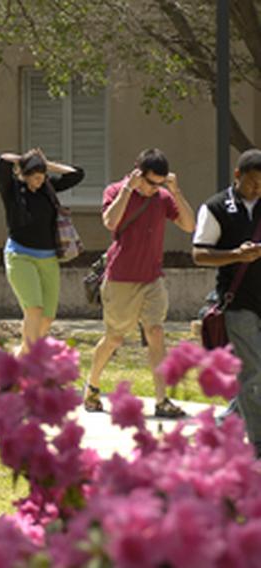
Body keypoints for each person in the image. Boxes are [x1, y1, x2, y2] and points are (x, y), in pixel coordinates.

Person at [84, 148, 196, 417]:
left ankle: (161, 400)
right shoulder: (115, 191)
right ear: (137, 172)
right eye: (149, 182)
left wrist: (175, 192)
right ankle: (92, 387)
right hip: (121, 279)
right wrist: (127, 190)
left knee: (156, 332)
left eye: (159, 183)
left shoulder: (163, 197)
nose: (153, 189)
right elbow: (110, 221)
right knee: (114, 338)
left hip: (153, 279)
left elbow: (189, 226)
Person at [193, 148, 261, 454]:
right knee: (254, 371)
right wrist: (236, 255)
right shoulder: (216, 207)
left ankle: (225, 423)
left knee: (254, 372)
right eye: (252, 183)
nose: (257, 189)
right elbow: (199, 254)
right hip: (238, 304)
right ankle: (258, 443)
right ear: (237, 175)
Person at [0, 149, 84, 354]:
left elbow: (76, 174)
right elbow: (3, 160)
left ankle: (21, 357)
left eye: (42, 177)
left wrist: (45, 165)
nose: (40, 181)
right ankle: (29, 364)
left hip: (48, 257)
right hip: (20, 256)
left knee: (47, 316)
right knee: (34, 309)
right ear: (24, 175)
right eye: (35, 177)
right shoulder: (11, 189)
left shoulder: (48, 187)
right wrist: (27, 160)